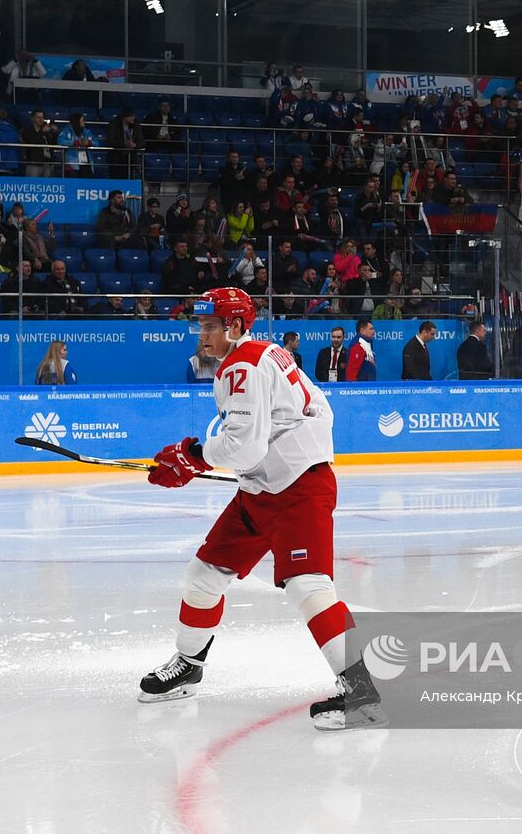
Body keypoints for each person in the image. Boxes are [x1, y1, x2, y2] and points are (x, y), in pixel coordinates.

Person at [138, 288, 385, 731]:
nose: (203, 334)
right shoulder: (267, 353)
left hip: (297, 491)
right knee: (204, 576)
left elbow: (245, 448)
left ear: (234, 325)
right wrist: (205, 456)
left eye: (211, 326)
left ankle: (363, 690)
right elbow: (314, 415)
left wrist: (193, 455)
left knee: (308, 587)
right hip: (264, 490)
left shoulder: (242, 365)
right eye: (201, 326)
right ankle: (189, 666)